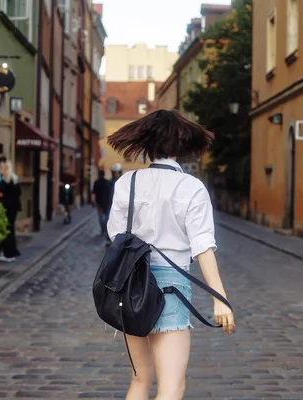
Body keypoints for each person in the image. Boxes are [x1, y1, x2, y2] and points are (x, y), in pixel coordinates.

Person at [106, 109, 235, 400]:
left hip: (131, 284)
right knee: (172, 387)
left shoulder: (128, 182)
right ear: (182, 145)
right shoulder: (191, 187)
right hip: (170, 289)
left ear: (146, 144)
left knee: (139, 381)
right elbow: (202, 245)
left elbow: (115, 235)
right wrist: (219, 298)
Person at [0, 161, 22, 262]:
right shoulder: (15, 180)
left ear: (6, 169)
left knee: (7, 230)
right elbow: (19, 193)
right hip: (14, 208)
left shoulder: (5, 181)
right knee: (11, 229)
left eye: (1, 168)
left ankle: (8, 254)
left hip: (7, 208)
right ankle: (12, 252)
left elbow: (0, 194)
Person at [91, 169, 111, 235]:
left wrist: (93, 201)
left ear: (99, 175)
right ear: (104, 174)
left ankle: (103, 229)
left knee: (100, 217)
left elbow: (93, 193)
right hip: (107, 202)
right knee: (106, 216)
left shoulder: (96, 182)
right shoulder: (107, 182)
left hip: (99, 202)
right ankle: (106, 229)